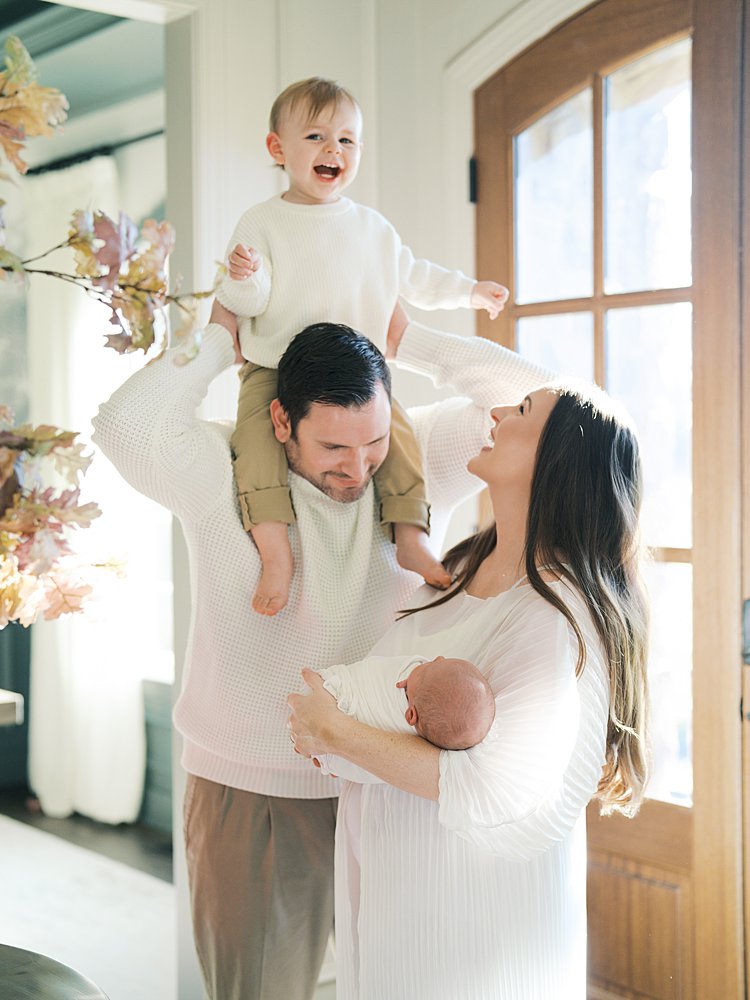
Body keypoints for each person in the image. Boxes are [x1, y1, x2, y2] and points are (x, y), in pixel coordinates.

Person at [92, 298, 552, 1000]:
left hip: (391, 787)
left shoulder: (415, 456)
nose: (357, 469)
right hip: (255, 792)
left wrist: (411, 338)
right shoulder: (217, 469)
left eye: (371, 443)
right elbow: (122, 424)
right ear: (280, 422)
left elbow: (548, 406)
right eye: (333, 448)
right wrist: (223, 336)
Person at [288, 380, 650, 999]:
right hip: (394, 898)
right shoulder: (454, 568)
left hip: (467, 927)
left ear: (558, 460)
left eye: (524, 411)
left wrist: (336, 732)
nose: (499, 411)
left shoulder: (554, 612)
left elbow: (497, 785)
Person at [216, 76, 509, 615]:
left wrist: (469, 291)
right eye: (316, 137)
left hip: (359, 374)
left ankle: (410, 536)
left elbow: (414, 278)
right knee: (253, 447)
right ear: (277, 148)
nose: (334, 151)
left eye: (347, 141)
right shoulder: (262, 221)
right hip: (274, 366)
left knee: (396, 437)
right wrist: (243, 276)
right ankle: (275, 551)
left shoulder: (372, 229)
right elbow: (248, 301)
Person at [311, 654, 496, 778]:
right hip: (328, 747)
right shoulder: (424, 728)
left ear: (411, 715)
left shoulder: (402, 738)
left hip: (330, 694)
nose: (438, 657)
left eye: (426, 667)